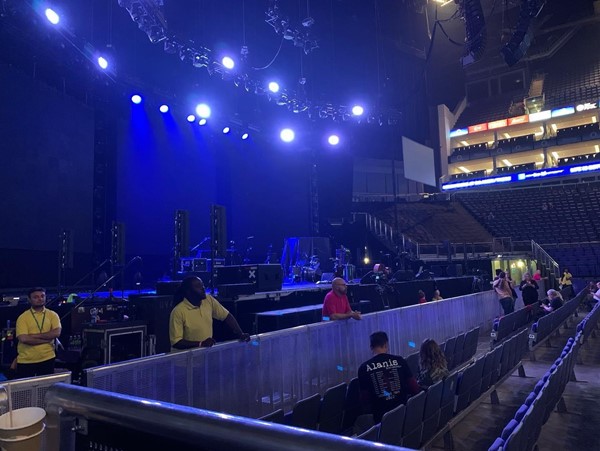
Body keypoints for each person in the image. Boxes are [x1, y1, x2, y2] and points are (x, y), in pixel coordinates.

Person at [169, 277, 250, 351]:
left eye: (203, 285)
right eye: (198, 286)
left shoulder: (209, 300)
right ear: (188, 291)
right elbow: (176, 342)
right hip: (183, 362)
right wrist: (200, 344)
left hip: (203, 357)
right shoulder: (178, 311)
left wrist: (240, 334)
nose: (203, 288)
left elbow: (227, 316)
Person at [357, 331, 421, 424]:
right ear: (386, 345)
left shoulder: (363, 368)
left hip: (380, 419)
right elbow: (414, 387)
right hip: (403, 413)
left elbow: (365, 399)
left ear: (371, 347)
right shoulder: (399, 361)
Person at [15, 287, 62, 378]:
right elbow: (24, 339)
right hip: (26, 360)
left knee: (45, 389)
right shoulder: (23, 317)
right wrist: (47, 340)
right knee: (26, 390)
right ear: (29, 299)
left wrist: (34, 336)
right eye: (36, 297)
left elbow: (56, 333)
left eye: (42, 296)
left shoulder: (53, 315)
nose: (40, 299)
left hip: (48, 358)